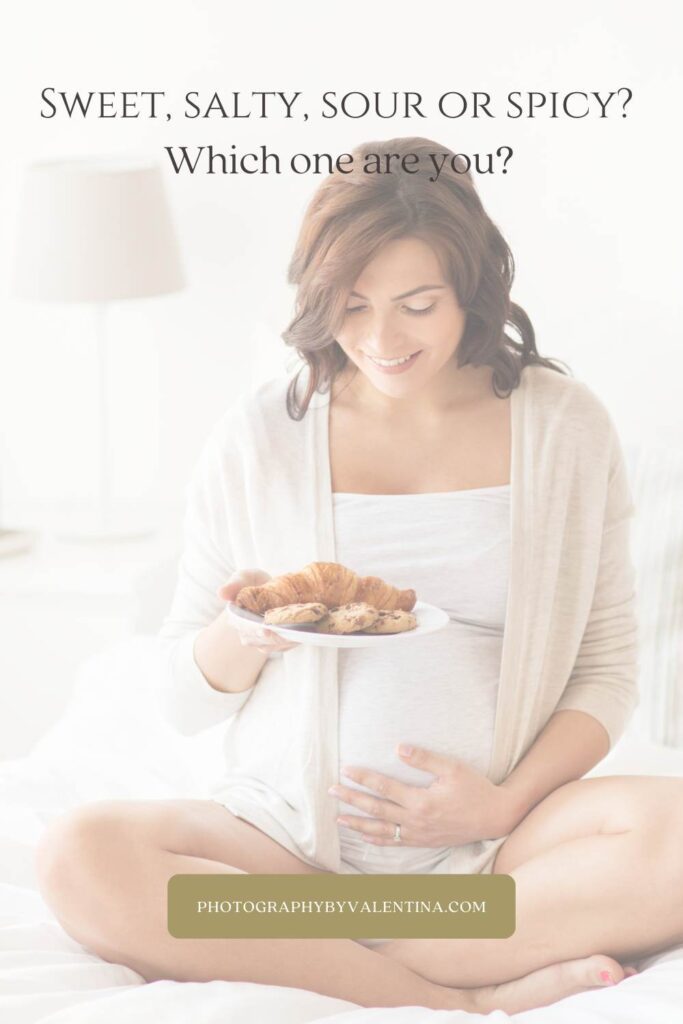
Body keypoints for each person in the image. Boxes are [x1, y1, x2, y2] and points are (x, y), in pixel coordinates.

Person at [34, 137, 683, 1014]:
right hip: (285, 844)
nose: (381, 339)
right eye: (353, 304)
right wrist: (243, 634)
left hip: (498, 850)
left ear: (473, 290)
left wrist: (499, 808)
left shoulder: (563, 426)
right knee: (79, 856)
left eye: (417, 305)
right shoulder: (261, 434)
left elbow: (604, 670)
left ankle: (331, 946)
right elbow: (182, 700)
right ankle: (455, 991)